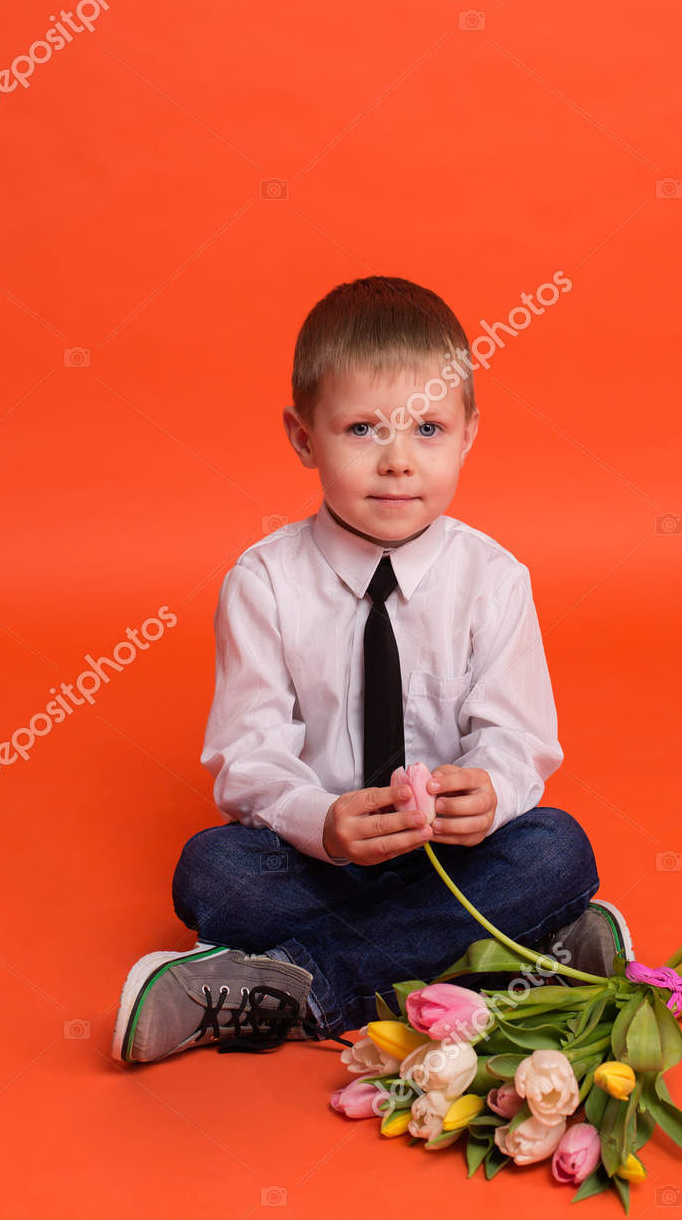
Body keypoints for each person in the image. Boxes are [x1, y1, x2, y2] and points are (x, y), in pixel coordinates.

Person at [112, 275, 632, 1063]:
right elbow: (245, 757)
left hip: (457, 860)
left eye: (427, 428)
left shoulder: (493, 578)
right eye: (361, 429)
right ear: (302, 437)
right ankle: (521, 949)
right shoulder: (263, 581)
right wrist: (321, 822)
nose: (396, 462)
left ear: (468, 435)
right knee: (212, 875)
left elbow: (518, 741)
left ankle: (300, 986)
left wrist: (489, 792)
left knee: (557, 850)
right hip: (326, 864)